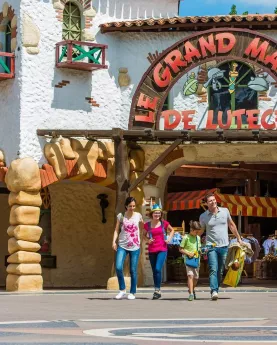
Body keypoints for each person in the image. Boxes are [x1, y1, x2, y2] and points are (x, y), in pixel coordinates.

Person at [199, 193, 242, 301]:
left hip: (224, 246)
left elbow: (231, 225)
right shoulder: (203, 216)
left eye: (214, 200)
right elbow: (201, 231)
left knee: (221, 269)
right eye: (210, 201)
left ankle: (216, 289)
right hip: (211, 246)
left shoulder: (225, 211)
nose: (213, 202)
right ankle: (214, 290)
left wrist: (239, 238)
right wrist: (192, 239)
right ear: (206, 203)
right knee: (213, 268)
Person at [112, 197, 144, 300]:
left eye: (134, 206)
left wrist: (143, 239)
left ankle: (132, 292)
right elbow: (116, 230)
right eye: (130, 206)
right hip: (122, 245)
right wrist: (113, 242)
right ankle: (122, 290)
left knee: (133, 270)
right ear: (126, 206)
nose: (132, 208)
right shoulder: (121, 216)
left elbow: (143, 228)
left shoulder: (138, 216)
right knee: (118, 267)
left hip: (135, 246)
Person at [143, 202, 174, 300]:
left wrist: (169, 239)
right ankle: (157, 290)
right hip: (152, 250)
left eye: (159, 213)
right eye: (155, 213)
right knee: (154, 271)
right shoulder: (147, 225)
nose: (157, 215)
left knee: (157, 269)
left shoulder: (164, 223)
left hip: (162, 249)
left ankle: (157, 289)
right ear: (152, 214)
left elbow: (172, 230)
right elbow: (143, 235)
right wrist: (148, 240)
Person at [179, 221, 202, 301]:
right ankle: (191, 294)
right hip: (188, 260)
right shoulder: (186, 237)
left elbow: (199, 248)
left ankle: (191, 289)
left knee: (196, 277)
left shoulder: (198, 238)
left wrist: (200, 251)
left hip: (196, 260)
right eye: (196, 232)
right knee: (190, 276)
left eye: (198, 232)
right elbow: (180, 249)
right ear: (191, 229)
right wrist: (188, 253)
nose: (197, 233)